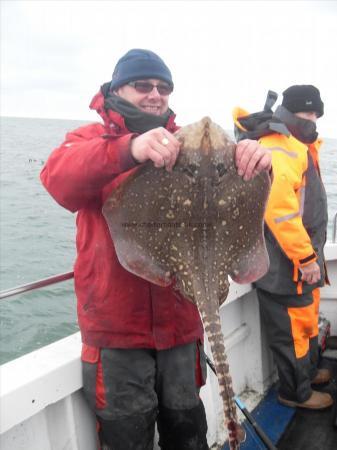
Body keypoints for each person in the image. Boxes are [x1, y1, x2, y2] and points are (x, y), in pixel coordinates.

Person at [41, 48, 272, 450]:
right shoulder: (91, 140)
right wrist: (129, 150)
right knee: (127, 436)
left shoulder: (187, 146)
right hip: (116, 333)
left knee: (188, 432)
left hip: (181, 324)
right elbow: (58, 179)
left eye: (163, 87)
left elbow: (250, 205)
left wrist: (259, 166)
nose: (155, 94)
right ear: (117, 88)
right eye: (142, 85)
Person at [233, 85, 333, 410]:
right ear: (289, 114)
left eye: (316, 114)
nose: (312, 120)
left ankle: (306, 373)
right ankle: (295, 392)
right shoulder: (278, 148)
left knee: (304, 325)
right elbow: (280, 210)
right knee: (292, 334)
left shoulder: (297, 144)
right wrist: (305, 257)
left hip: (298, 264)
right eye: (306, 114)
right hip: (285, 266)